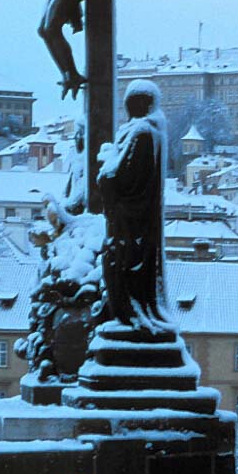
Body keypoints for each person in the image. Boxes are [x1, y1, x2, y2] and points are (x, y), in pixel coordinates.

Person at [99, 79, 170, 336]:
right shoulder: (150, 131)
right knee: (125, 268)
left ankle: (130, 318)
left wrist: (104, 169)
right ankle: (129, 315)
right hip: (138, 220)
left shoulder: (142, 132)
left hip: (130, 221)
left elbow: (118, 176)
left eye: (131, 103)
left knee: (121, 266)